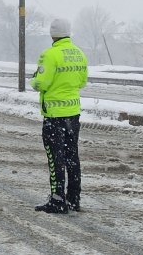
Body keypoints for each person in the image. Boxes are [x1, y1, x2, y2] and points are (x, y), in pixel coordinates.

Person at [30, 18, 88, 214]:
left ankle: (57, 201)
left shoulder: (50, 55)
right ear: (69, 32)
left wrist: (34, 79)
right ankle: (73, 199)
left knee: (56, 159)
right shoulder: (79, 54)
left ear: (52, 34)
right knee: (72, 156)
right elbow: (82, 82)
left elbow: (41, 83)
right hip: (73, 113)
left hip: (54, 116)